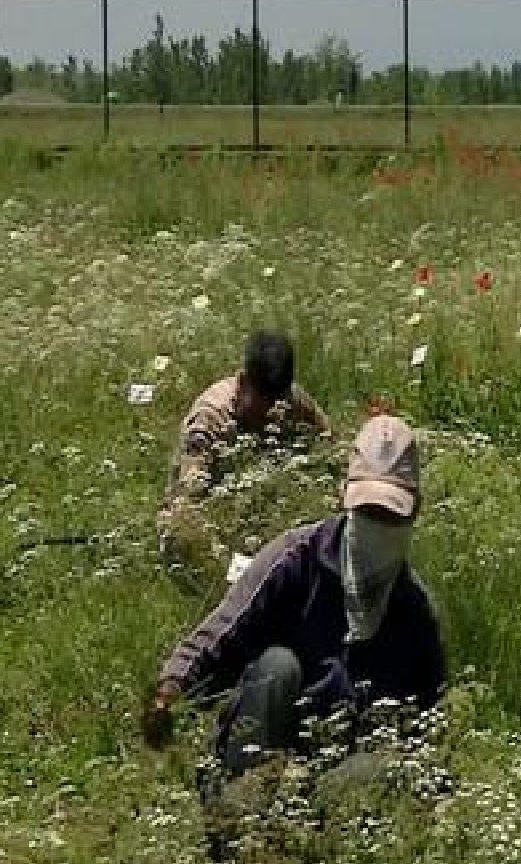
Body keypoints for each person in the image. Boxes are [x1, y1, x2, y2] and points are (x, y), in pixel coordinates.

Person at [143, 415, 445, 785]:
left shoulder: (413, 610)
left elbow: (426, 724)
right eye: (367, 512)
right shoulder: (295, 559)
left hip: (338, 773)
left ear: (414, 512)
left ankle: (312, 826)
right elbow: (223, 630)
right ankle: (239, 810)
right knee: (278, 665)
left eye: (389, 516)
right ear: (343, 498)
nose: (376, 528)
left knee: (378, 770)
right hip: (264, 743)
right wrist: (169, 692)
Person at [157, 330, 332, 571]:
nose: (271, 413)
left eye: (277, 402)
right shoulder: (211, 417)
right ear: (244, 381)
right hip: (212, 526)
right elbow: (188, 498)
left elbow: (328, 451)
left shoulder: (293, 403)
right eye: (263, 403)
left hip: (265, 520)